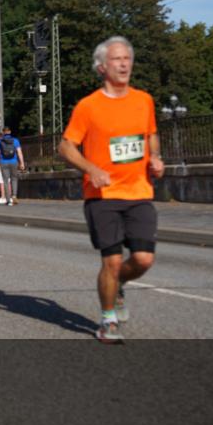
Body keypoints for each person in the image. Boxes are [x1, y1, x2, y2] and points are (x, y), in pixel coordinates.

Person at [59, 36, 164, 344]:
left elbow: (151, 135)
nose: (123, 64)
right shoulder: (88, 106)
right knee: (112, 261)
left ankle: (117, 285)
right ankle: (108, 321)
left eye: (127, 59)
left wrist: (156, 158)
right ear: (102, 67)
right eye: (117, 59)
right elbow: (66, 146)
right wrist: (91, 169)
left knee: (143, 259)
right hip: (101, 196)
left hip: (139, 192)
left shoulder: (143, 100)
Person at [0, 127, 25, 205]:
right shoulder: (15, 141)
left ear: (3, 132)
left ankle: (8, 200)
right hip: (13, 162)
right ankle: (14, 196)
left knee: (5, 181)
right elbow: (19, 152)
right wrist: (22, 163)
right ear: (10, 132)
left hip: (3, 162)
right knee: (14, 179)